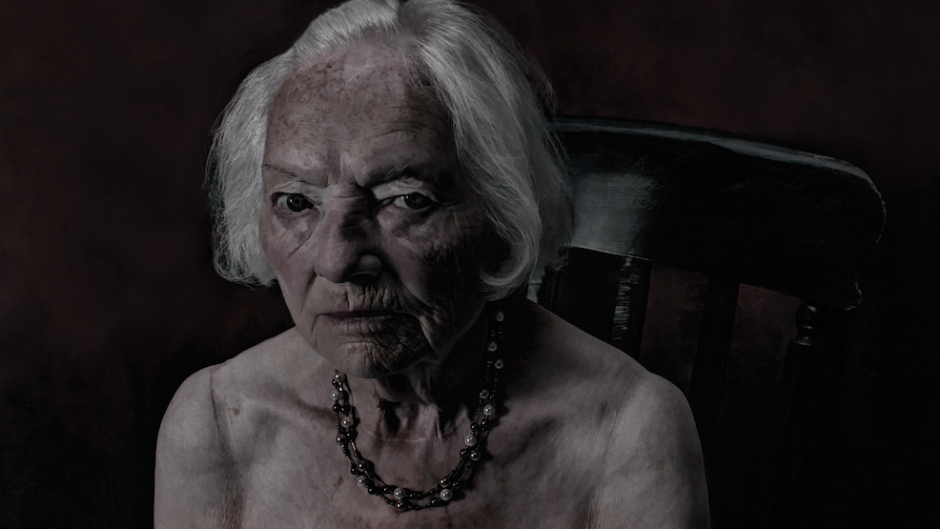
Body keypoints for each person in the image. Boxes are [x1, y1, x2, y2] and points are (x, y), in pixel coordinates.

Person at [154, 0, 709, 527]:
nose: (337, 259)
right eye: (296, 203)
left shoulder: (628, 433)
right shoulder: (218, 425)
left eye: (406, 199)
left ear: (501, 211)